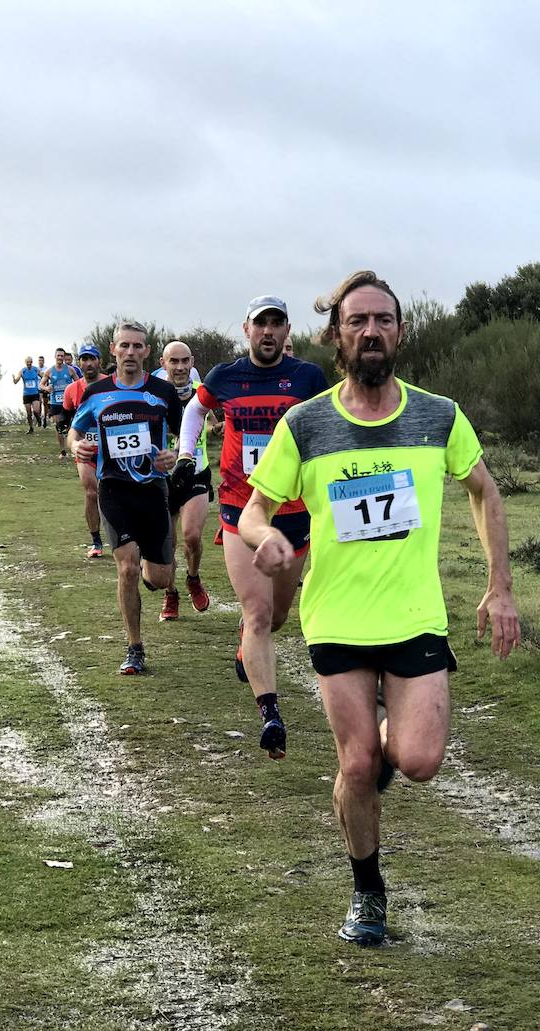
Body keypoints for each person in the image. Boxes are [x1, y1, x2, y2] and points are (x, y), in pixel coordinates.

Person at [238, 270, 520, 947]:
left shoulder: (438, 415)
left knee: (417, 759)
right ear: (337, 334)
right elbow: (253, 510)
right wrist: (266, 535)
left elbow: (484, 490)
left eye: (383, 320)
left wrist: (500, 583)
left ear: (399, 331)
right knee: (358, 763)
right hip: (336, 618)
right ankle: (368, 891)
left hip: (415, 616)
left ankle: (372, 764)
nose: (371, 331)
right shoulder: (305, 424)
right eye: (357, 321)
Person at [174, 296, 328, 759]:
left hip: (295, 514)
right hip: (242, 509)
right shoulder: (225, 376)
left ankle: (248, 639)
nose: (268, 332)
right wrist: (186, 453)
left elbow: (327, 423)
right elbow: (194, 411)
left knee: (277, 617)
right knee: (259, 616)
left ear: (286, 332)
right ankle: (271, 715)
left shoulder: (308, 378)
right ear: (246, 329)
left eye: (276, 324)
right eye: (260, 324)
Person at [68, 321, 183, 675]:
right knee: (127, 566)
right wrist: (77, 446)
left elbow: (186, 435)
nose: (131, 352)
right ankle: (135, 647)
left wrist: (174, 455)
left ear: (147, 352)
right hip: (114, 490)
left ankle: (158, 580)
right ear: (113, 349)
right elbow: (74, 432)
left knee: (160, 577)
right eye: (125, 346)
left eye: (138, 346)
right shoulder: (96, 393)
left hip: (153, 490)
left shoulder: (163, 392)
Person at [154, 340, 213, 618]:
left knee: (192, 536)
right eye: (173, 361)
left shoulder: (202, 391)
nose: (180, 367)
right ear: (162, 363)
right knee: (169, 543)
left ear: (192, 363)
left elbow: (211, 418)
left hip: (195, 471)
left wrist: (216, 428)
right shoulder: (151, 391)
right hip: (160, 477)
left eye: (185, 361)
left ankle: (193, 577)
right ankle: (171, 593)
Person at [62, 344, 107, 558]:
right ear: (79, 363)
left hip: (111, 449)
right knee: (91, 492)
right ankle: (96, 541)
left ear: (99, 361)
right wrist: (74, 442)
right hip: (86, 449)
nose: (88, 363)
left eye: (92, 359)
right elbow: (69, 418)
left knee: (116, 493)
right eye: (84, 359)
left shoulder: (110, 384)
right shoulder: (72, 390)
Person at [42, 348, 78, 459]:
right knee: (59, 427)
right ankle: (62, 451)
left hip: (68, 402)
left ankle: (72, 445)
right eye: (58, 356)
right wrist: (46, 388)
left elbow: (79, 383)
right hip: (55, 402)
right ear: (55, 356)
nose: (60, 358)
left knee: (69, 426)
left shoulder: (70, 370)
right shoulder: (50, 371)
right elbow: (41, 384)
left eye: (62, 356)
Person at [12, 355, 43, 431]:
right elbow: (16, 380)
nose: (29, 363)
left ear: (32, 362)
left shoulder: (36, 370)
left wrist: (45, 383)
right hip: (26, 394)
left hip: (35, 393)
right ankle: (31, 428)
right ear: (25, 362)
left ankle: (39, 420)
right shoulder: (22, 371)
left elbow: (44, 376)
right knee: (29, 413)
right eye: (27, 362)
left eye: (30, 362)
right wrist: (14, 379)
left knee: (36, 411)